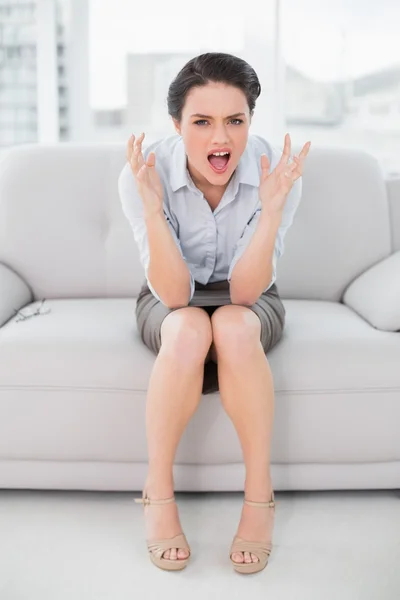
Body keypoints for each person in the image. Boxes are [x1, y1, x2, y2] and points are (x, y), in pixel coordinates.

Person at [118, 51, 310, 574]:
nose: (219, 139)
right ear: (177, 124)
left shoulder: (274, 170)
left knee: (227, 321)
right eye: (201, 122)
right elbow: (176, 297)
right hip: (169, 295)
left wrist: (270, 211)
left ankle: (259, 495)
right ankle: (157, 491)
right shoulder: (145, 172)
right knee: (186, 327)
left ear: (251, 120)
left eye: (235, 121)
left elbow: (246, 294)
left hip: (249, 297)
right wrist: (155, 207)